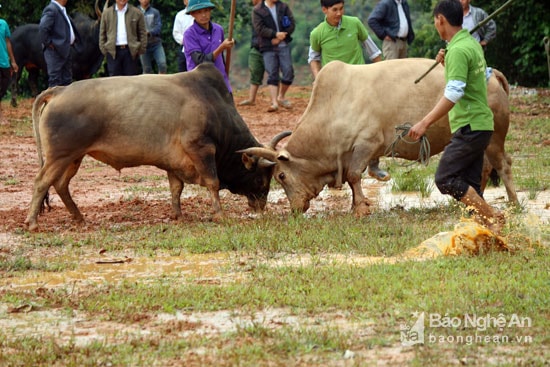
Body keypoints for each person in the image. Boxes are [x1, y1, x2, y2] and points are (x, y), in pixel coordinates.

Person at [407, 0, 504, 233]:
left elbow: (454, 92)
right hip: (481, 124)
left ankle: (494, 216)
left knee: (445, 178)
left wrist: (424, 122)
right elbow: (467, 78)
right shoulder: (469, 44)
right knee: (471, 187)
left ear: (441, 20)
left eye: (435, 22)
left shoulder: (458, 50)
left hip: (470, 125)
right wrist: (446, 59)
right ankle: (487, 234)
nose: (435, 26)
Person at [308, 0, 389, 182]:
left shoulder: (354, 23)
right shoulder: (317, 33)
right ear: (324, 10)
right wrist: (319, 78)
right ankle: (336, 171)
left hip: (361, 83)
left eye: (341, 8)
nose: (339, 13)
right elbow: (313, 58)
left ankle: (374, 166)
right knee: (335, 128)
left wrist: (383, 73)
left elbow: (373, 51)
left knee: (369, 124)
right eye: (334, 10)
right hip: (335, 87)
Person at [252, 0, 295, 113]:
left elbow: (291, 24)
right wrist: (274, 35)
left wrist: (282, 36)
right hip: (267, 45)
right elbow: (259, 28)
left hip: (283, 44)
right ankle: (274, 102)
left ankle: (281, 96)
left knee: (288, 71)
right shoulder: (257, 10)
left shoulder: (283, 7)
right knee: (272, 72)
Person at [183, 0, 235, 93]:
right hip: (200, 82)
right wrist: (222, 47)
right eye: (199, 12)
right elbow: (200, 61)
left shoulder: (218, 29)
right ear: (192, 14)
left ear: (210, 11)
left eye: (206, 10)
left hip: (221, 80)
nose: (203, 15)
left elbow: (221, 57)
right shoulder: (189, 34)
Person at [99, 0, 147, 76]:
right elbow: (102, 33)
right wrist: (105, 50)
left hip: (130, 52)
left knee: (131, 80)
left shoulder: (137, 12)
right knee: (114, 80)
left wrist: (140, 49)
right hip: (113, 52)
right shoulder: (106, 13)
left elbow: (142, 33)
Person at [39, 0, 79, 87]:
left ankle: (66, 101)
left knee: (67, 80)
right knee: (55, 80)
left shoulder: (61, 9)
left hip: (65, 49)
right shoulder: (51, 9)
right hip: (55, 51)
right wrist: (49, 43)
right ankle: (55, 101)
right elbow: (43, 28)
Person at [239, 0, 265, 107]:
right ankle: (251, 99)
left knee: (274, 73)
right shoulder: (255, 11)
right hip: (256, 46)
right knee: (254, 70)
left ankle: (277, 99)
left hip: (270, 47)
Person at [138, 0, 167, 74]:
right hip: (142, 45)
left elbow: (158, 27)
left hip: (156, 43)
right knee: (146, 69)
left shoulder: (155, 12)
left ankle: (162, 83)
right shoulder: (135, 12)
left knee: (162, 64)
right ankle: (148, 85)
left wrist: (149, 32)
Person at [0, 7, 18, 125]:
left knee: (3, 87)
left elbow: (7, 42)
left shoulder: (3, 24)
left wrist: (13, 61)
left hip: (4, 62)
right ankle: (1, 117)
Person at [172, 0, 194, 72]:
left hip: (199, 49)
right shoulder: (179, 15)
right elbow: (176, 33)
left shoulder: (200, 15)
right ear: (184, 1)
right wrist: (186, 41)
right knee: (182, 73)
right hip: (184, 48)